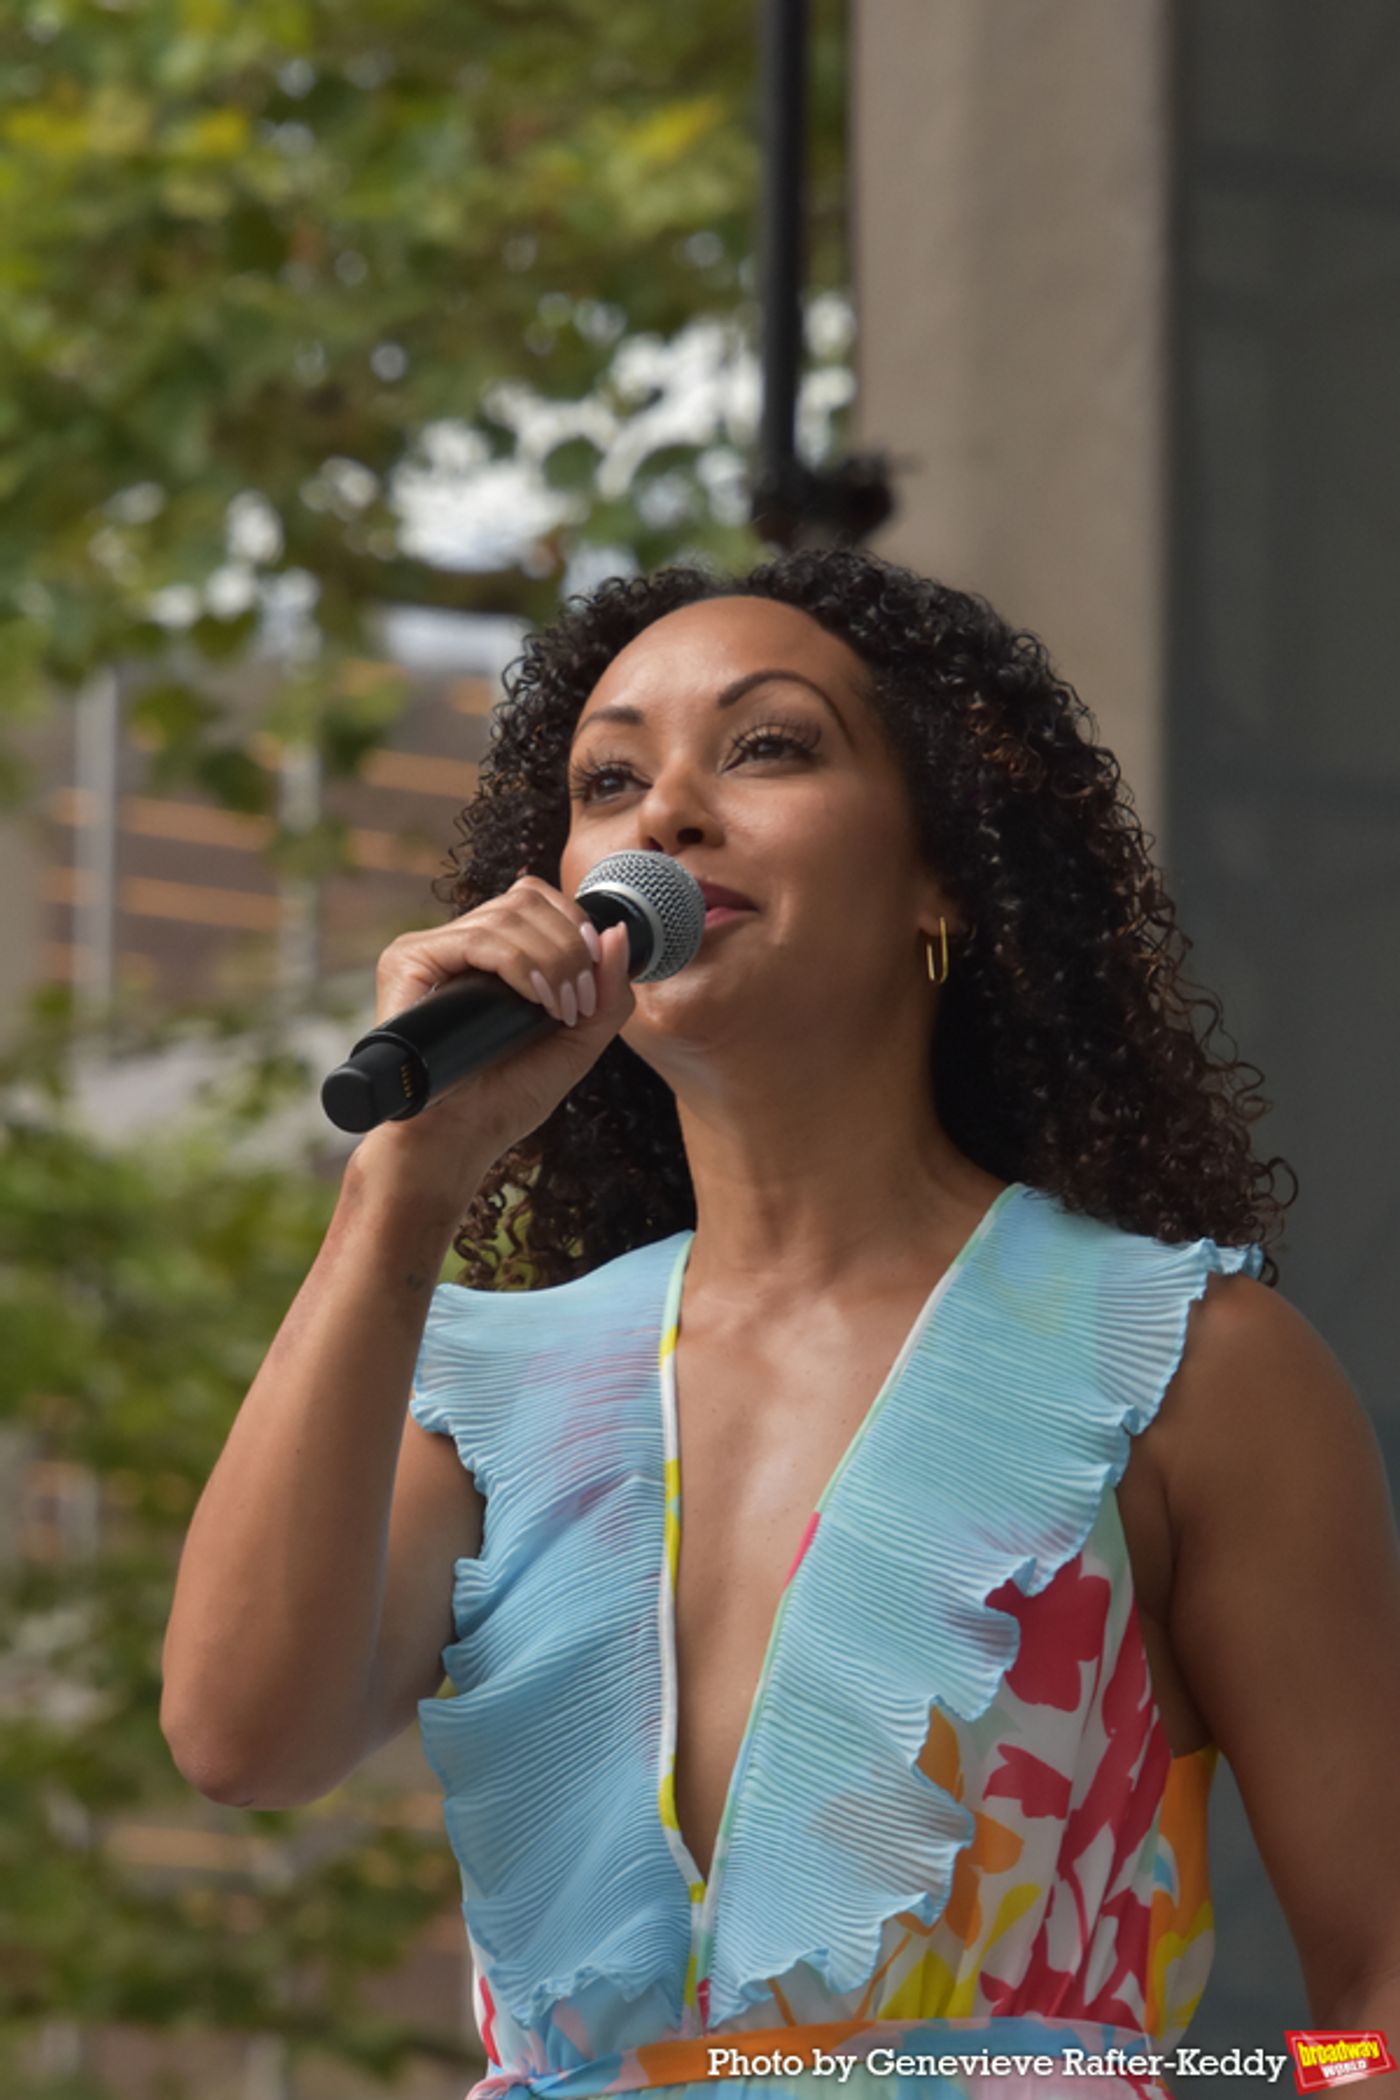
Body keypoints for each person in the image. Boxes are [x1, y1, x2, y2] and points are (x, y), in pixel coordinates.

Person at [161, 548, 1400, 2100]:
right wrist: (404, 1188)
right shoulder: (493, 1390)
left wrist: (1190, 2084)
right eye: (609, 779)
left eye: (768, 745)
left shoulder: (1186, 1369)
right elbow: (238, 1742)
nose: (664, 814)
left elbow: (1375, 2004)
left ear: (945, 874)